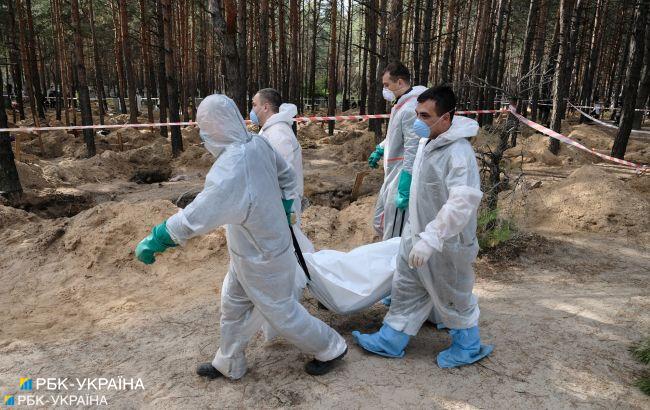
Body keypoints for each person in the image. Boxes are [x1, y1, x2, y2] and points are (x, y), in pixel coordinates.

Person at [134, 94, 347, 380]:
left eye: (204, 127)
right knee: (232, 306)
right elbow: (286, 176)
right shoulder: (256, 142)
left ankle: (331, 347)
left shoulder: (232, 168)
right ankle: (229, 362)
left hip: (264, 256)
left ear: (216, 127)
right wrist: (284, 204)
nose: (202, 133)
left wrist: (159, 237)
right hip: (249, 250)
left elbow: (197, 215)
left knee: (282, 314)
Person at [352, 85, 493, 368]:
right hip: (416, 232)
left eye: (426, 116)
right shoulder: (427, 141)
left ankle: (468, 345)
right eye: (417, 114)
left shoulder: (458, 153)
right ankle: (391, 338)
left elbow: (461, 203)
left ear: (447, 118)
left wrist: (432, 238)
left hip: (446, 242)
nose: (418, 121)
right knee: (406, 285)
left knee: (452, 292)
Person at [250, 88, 314, 254]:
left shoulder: (278, 133)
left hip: (283, 202)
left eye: (254, 105)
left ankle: (303, 276)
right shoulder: (269, 130)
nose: (252, 110)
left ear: (265, 107)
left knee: (291, 246)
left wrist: (285, 204)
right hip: (273, 200)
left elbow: (285, 173)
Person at [368, 62, 427, 241]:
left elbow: (412, 147)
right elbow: (397, 134)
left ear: (400, 83)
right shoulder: (402, 105)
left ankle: (395, 266)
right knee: (380, 221)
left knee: (393, 230)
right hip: (392, 174)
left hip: (401, 174)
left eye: (387, 85)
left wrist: (406, 182)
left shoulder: (410, 109)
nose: (385, 89)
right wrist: (381, 148)